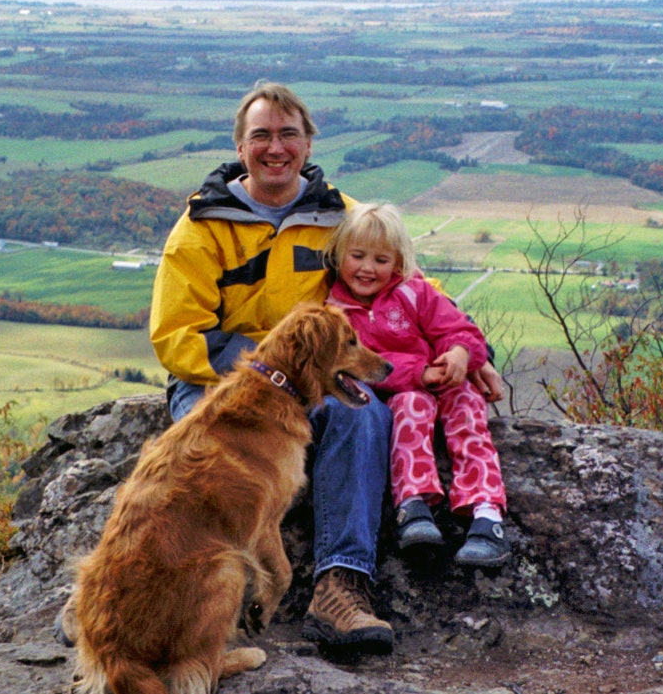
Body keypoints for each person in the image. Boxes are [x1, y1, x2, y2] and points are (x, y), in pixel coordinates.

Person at [150, 81, 499, 655]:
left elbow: (410, 284)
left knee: (364, 418)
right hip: (224, 381)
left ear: (308, 144)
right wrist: (269, 373)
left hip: (313, 382)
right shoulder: (202, 227)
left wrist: (469, 351)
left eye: (289, 134)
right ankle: (142, 589)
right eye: (261, 135)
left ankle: (340, 589)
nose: (275, 147)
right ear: (240, 147)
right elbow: (176, 335)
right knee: (213, 461)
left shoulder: (341, 216)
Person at [325, 202, 510, 568]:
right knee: (412, 408)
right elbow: (354, 369)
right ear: (337, 255)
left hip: (446, 380)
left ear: (398, 261)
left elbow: (459, 329)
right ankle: (414, 506)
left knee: (468, 409)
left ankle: (487, 515)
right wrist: (419, 373)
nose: (366, 268)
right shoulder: (334, 313)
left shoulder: (415, 292)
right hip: (402, 392)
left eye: (381, 260)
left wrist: (459, 354)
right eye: (357, 256)